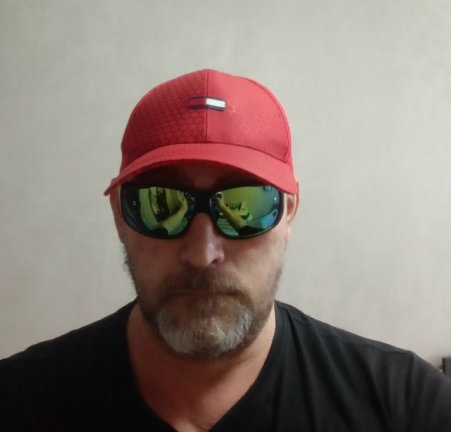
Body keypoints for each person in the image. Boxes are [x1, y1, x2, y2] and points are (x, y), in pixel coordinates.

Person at [1, 68, 450, 431]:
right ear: (120, 216)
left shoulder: (409, 407)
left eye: (245, 206)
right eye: (161, 205)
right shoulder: (19, 402)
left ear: (288, 213)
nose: (202, 254)